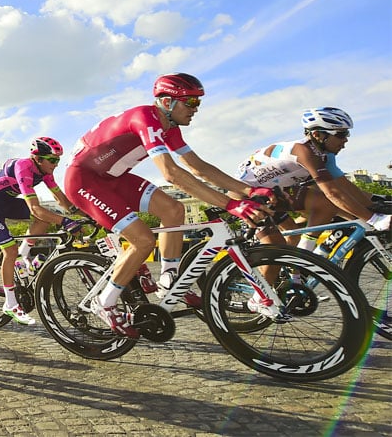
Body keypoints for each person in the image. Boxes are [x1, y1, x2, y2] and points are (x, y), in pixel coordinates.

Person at [63, 73, 273, 337]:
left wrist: (248, 190)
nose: (196, 109)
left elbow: (198, 167)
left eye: (198, 103)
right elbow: (171, 174)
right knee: (142, 240)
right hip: (84, 181)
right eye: (190, 102)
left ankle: (169, 279)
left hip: (113, 178)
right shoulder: (145, 118)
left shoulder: (170, 127)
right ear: (166, 101)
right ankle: (104, 302)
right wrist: (230, 204)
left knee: (174, 210)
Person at [236, 107, 391, 250]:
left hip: (274, 192)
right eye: (341, 134)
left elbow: (345, 187)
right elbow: (333, 193)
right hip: (245, 194)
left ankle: (304, 264)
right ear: (317, 134)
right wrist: (374, 219)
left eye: (347, 133)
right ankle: (300, 263)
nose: (346, 139)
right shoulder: (304, 152)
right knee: (276, 247)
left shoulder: (325, 156)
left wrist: (379, 202)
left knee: (322, 211)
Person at [0, 137, 81, 325]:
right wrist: (65, 222)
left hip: (7, 202)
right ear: (38, 158)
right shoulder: (23, 167)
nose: (56, 164)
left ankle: (21, 260)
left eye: (58, 160)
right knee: (10, 249)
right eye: (53, 160)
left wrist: (82, 214)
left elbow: (61, 200)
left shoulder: (45, 171)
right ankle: (10, 303)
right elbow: (34, 208)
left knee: (45, 218)